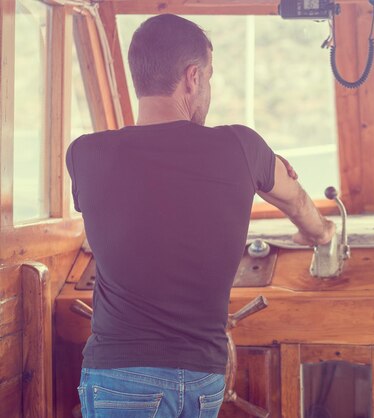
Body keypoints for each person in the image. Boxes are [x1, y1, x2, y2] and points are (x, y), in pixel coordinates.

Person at [67, 14, 335, 418]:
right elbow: (297, 200)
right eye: (209, 77)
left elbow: (128, 209)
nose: (207, 88)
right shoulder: (243, 147)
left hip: (120, 375)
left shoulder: (85, 154)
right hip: (203, 380)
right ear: (192, 77)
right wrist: (321, 234)